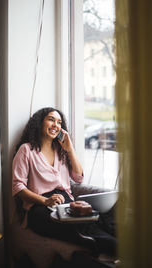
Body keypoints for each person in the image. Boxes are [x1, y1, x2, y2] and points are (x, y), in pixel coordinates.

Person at [12, 107, 117, 257]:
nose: (56, 125)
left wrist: (70, 149)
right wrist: (46, 200)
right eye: (51, 119)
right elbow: (17, 187)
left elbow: (78, 177)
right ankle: (93, 241)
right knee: (71, 224)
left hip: (66, 203)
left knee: (98, 218)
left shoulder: (61, 150)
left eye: (59, 122)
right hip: (39, 206)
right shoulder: (26, 150)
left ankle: (103, 237)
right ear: (39, 123)